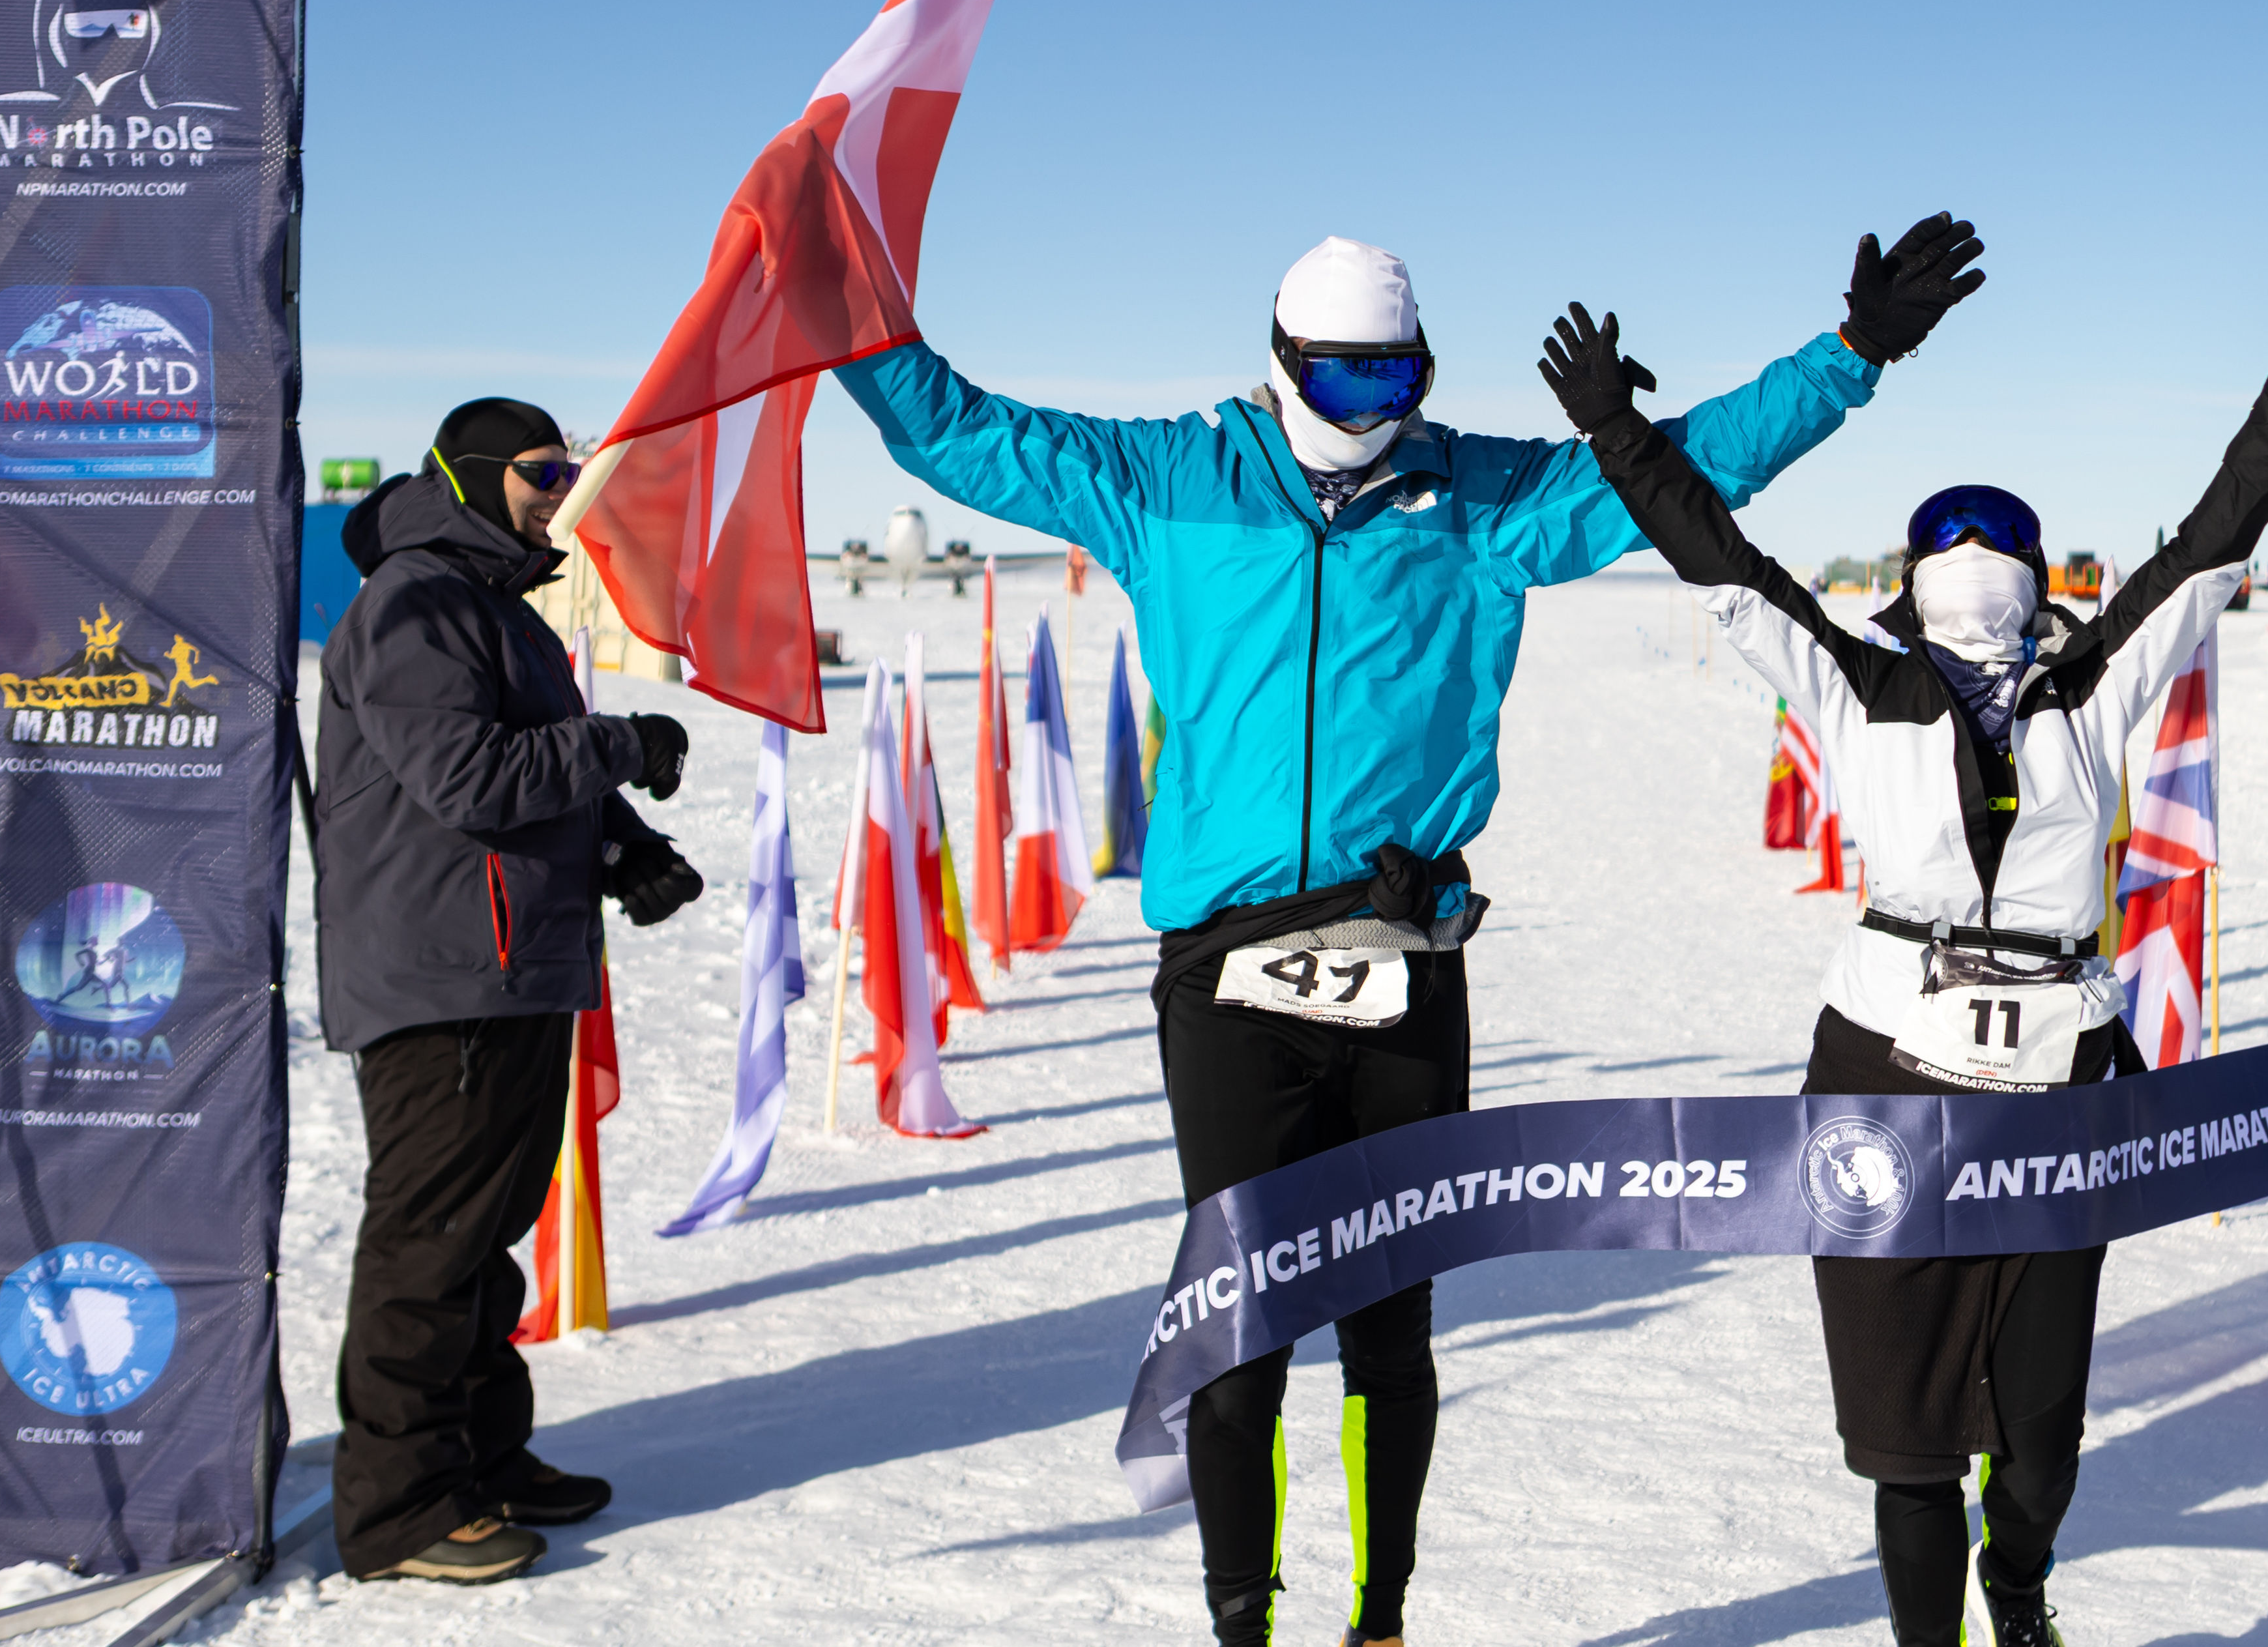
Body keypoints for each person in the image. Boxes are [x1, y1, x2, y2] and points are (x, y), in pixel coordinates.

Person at [830, 220, 1986, 1647]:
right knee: (1241, 1330)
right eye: (1347, 381)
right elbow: (962, 435)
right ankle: (1241, 1625)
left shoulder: (1481, 496)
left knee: (1391, 1322)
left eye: (1403, 381)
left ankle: (1380, 1620)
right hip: (1228, 972)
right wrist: (858, 329)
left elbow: (1678, 473)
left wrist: (1851, 357)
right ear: (1283, 367)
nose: (1380, 412)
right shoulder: (1165, 482)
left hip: (1408, 959)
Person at [1537, 263, 2268, 1647]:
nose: (1976, 570)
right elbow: (1720, 561)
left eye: (2003, 555)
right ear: (1912, 587)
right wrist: (1622, 435)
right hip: (1883, 1076)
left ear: (2042, 585)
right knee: (1905, 1429)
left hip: (2061, 1078)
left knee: (2039, 1432)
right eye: (1949, 553)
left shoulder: (2094, 685)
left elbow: (2220, 537)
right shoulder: (1855, 682)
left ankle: (2019, 1575)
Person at [312, 398, 711, 1583]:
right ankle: (401, 1506)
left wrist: (620, 844)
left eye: (568, 467)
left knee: (483, 1240)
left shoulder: (494, 604)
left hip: (510, 963)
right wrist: (621, 747)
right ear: (477, 476)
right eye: (540, 470)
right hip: (445, 978)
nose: (559, 487)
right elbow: (469, 776)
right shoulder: (420, 601)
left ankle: (483, 1455)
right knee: (431, 1247)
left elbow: (533, 759)